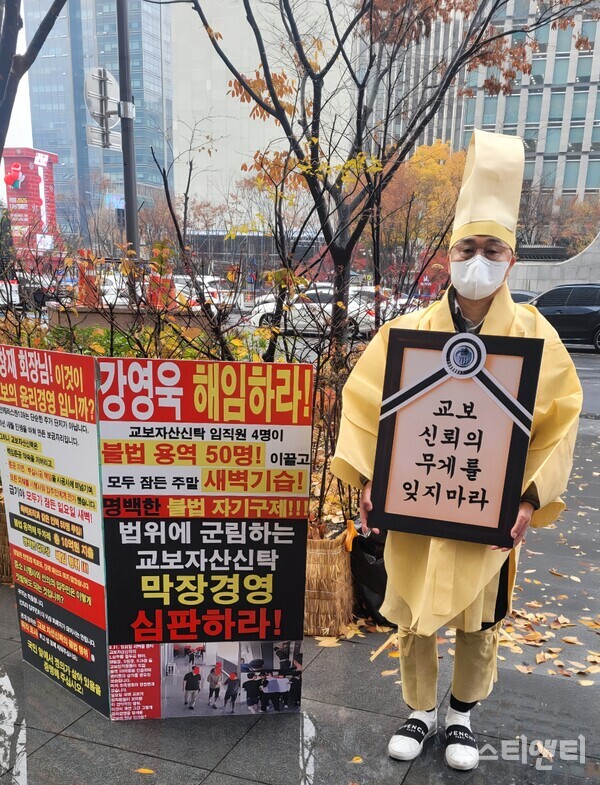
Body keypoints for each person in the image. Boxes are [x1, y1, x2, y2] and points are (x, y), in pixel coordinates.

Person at [331, 130, 583, 772]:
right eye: (467, 247)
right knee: (414, 612)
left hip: (485, 508)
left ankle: (462, 716)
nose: (478, 259)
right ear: (449, 254)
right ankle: (419, 710)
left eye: (491, 248)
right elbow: (364, 405)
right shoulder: (408, 333)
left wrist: (528, 496)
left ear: (511, 256)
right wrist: (369, 479)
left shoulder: (535, 335)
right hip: (417, 502)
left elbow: (560, 418)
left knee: (479, 618)